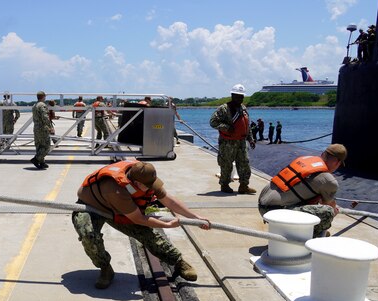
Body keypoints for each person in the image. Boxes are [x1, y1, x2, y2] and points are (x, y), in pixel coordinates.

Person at [72, 160, 211, 289]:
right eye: (148, 186)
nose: (152, 188)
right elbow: (139, 219)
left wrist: (196, 217)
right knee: (88, 235)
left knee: (147, 234)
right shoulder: (117, 189)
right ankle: (105, 268)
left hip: (119, 209)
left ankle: (178, 262)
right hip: (93, 207)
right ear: (136, 183)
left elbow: (170, 201)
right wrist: (168, 225)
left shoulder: (146, 178)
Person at [258, 144, 347, 238]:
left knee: (313, 199)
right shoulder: (329, 181)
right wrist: (334, 211)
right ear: (338, 163)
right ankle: (310, 236)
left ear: (323, 154)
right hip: (273, 212)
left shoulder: (305, 159)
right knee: (328, 212)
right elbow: (328, 205)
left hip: (262, 205)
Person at [209, 83, 257, 194]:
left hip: (241, 142)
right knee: (226, 164)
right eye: (237, 96)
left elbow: (246, 125)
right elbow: (213, 122)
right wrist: (226, 128)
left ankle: (244, 186)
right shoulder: (224, 109)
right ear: (232, 95)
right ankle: (225, 185)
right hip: (228, 143)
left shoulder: (243, 108)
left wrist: (250, 139)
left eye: (241, 96)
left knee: (244, 164)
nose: (239, 98)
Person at [30, 91, 53, 169]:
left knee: (39, 146)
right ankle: (36, 159)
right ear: (43, 97)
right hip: (42, 128)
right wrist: (50, 127)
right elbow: (45, 117)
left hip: (36, 128)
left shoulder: (34, 105)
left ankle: (42, 162)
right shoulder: (42, 105)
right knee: (46, 146)